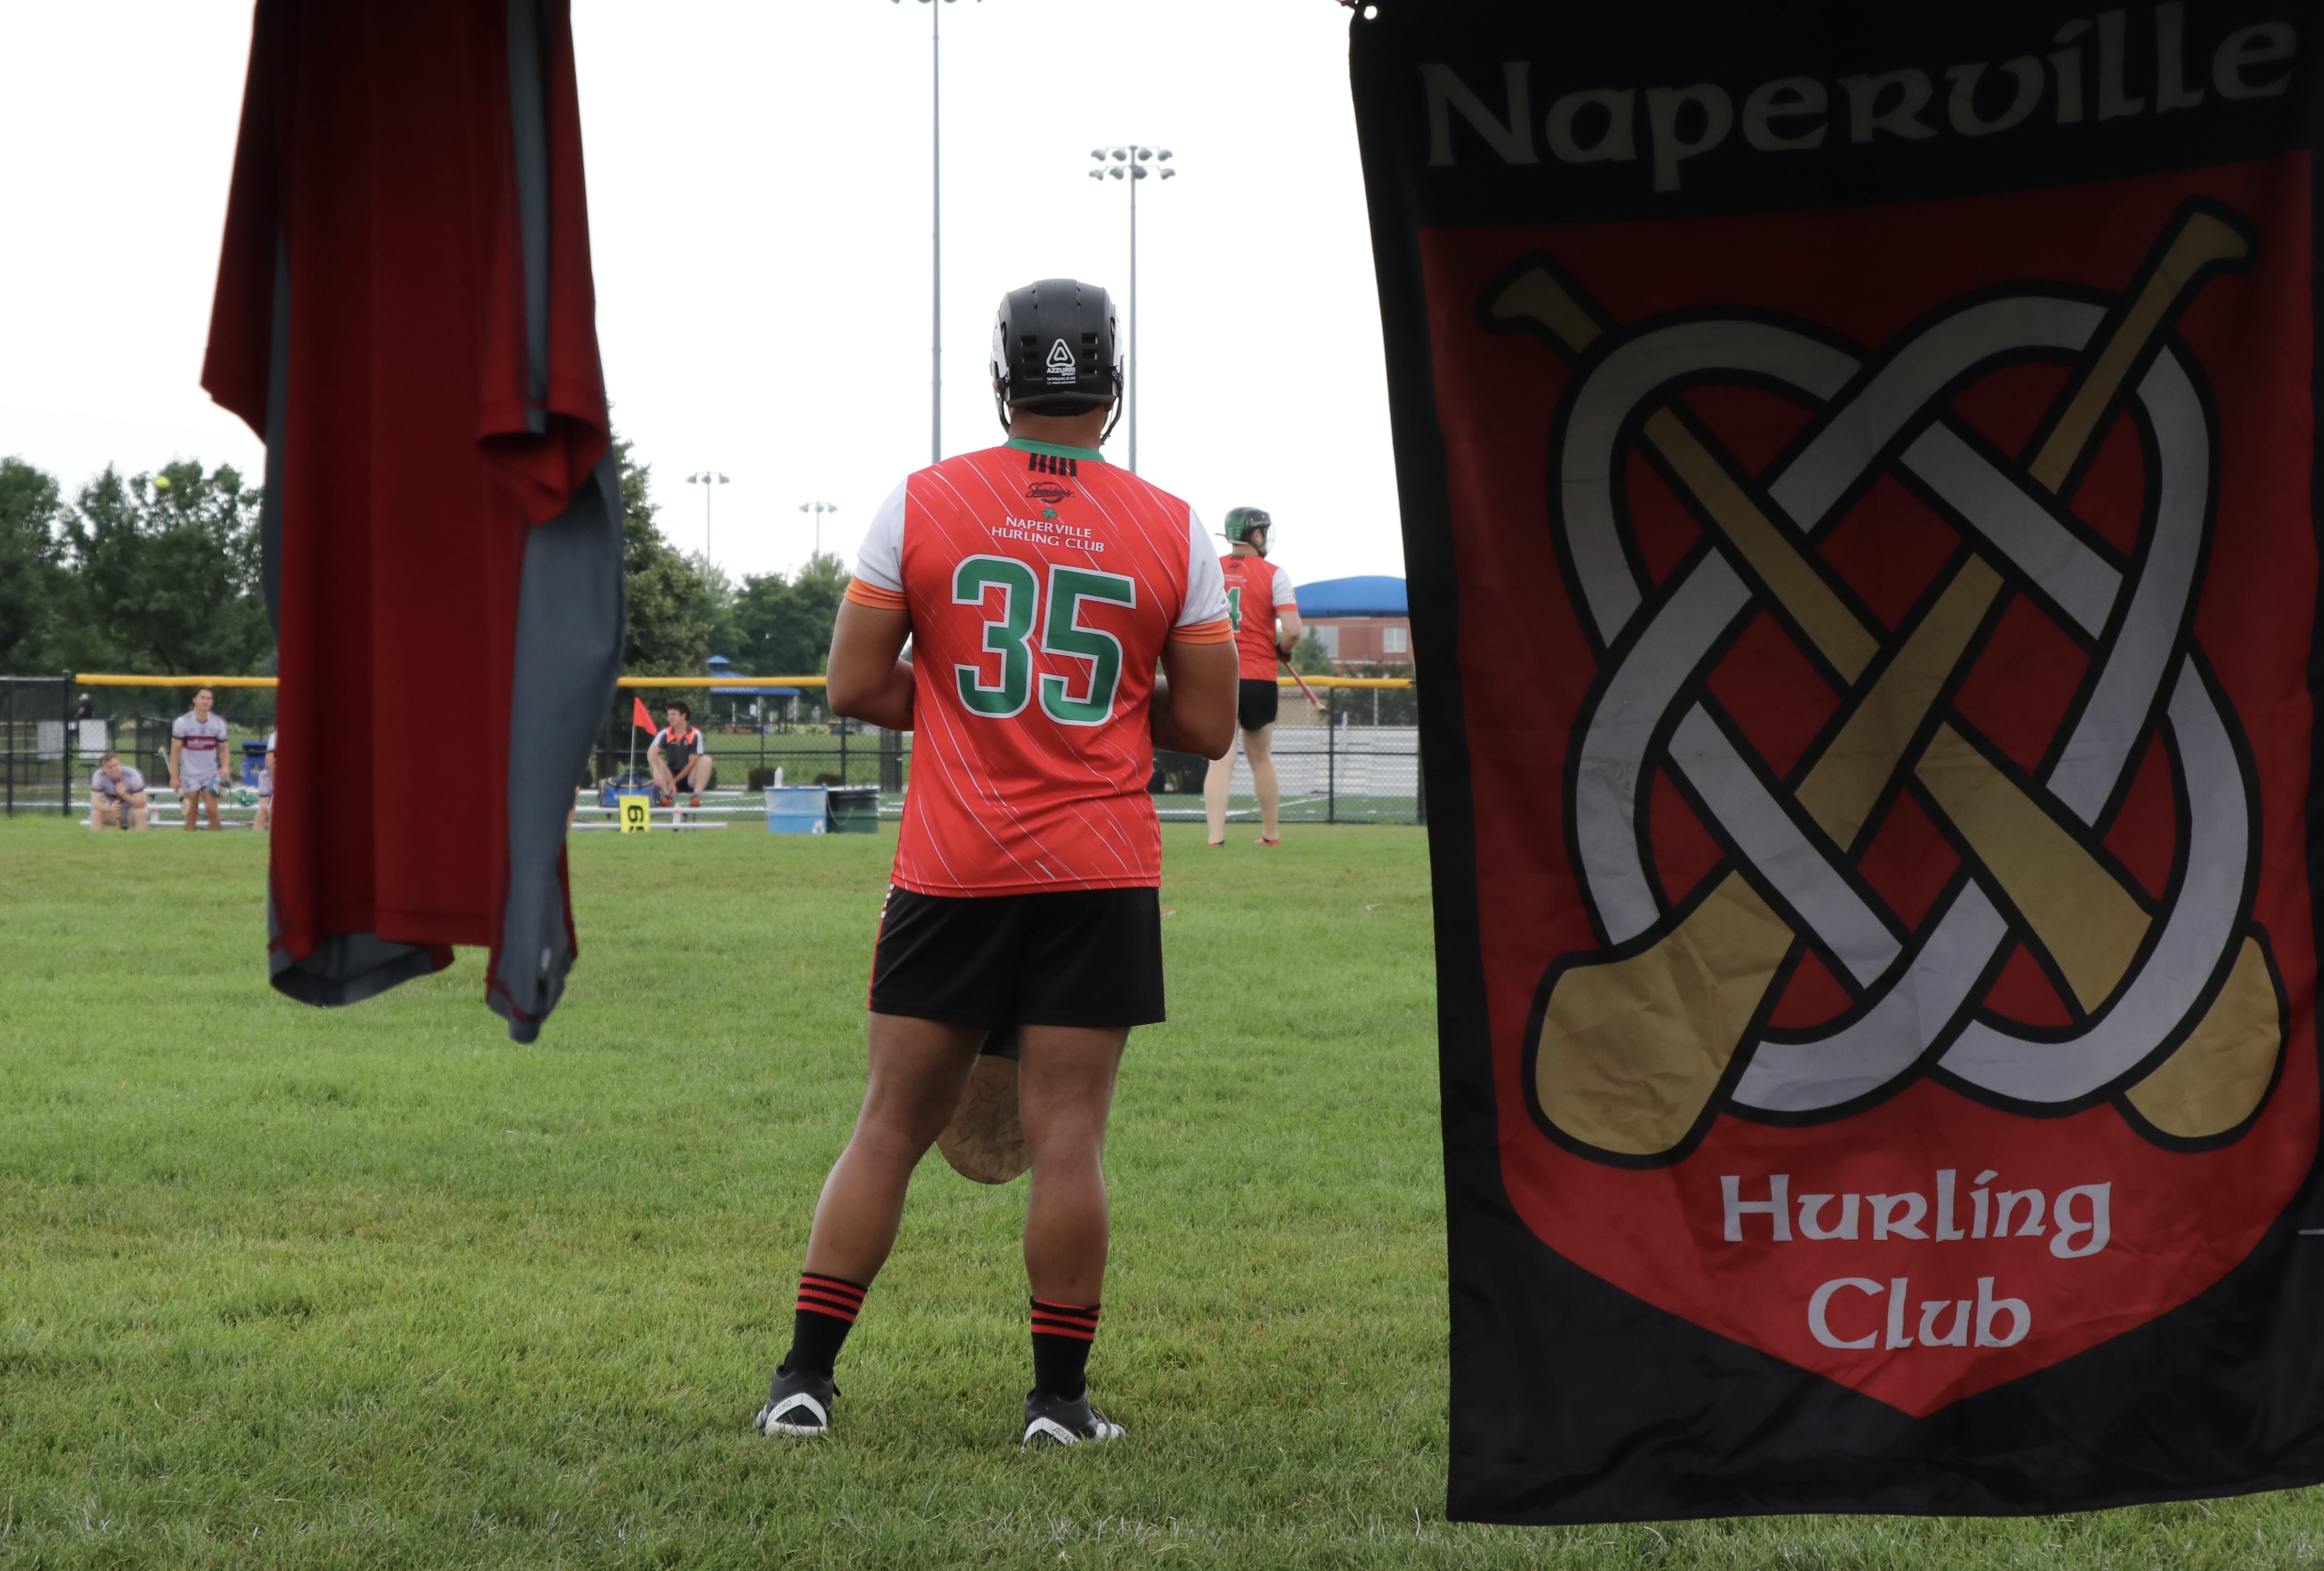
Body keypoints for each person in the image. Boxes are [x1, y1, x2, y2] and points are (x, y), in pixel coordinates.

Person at [752, 278, 1236, 1448]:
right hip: (1098, 867)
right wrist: (1106, 713)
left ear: (998, 380)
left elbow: (855, 685)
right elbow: (1213, 726)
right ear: (1111, 390)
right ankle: (1056, 1404)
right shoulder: (1174, 526)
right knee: (1068, 1137)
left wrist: (974, 708)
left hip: (953, 865)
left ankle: (802, 1382)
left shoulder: (917, 503)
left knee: (886, 1125)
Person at [1202, 507, 1304, 848]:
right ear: (1256, 535)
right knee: (1261, 758)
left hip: (1218, 674)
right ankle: (1270, 834)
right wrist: (1282, 650)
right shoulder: (1274, 574)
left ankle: (1215, 838)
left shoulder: (1210, 568)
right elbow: (1292, 630)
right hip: (1259, 676)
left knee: (1220, 759)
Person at [169, 687, 230, 832]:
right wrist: (174, 777)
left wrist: (225, 768)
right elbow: (175, 751)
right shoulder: (183, 722)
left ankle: (216, 843)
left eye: (209, 698)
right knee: (191, 812)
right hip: (190, 774)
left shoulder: (218, 723)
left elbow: (223, 749)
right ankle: (190, 845)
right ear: (195, 700)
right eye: (202, 698)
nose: (206, 701)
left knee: (212, 810)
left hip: (210, 773)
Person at [647, 701, 713, 807]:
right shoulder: (665, 733)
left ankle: (696, 797)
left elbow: (693, 763)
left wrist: (675, 781)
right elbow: (651, 752)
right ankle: (667, 798)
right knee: (656, 760)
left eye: (674, 715)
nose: (670, 718)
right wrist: (656, 771)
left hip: (690, 778)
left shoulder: (695, 734)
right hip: (670, 778)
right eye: (669, 715)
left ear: (684, 715)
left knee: (706, 760)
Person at [88, 751, 150, 830]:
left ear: (119, 763)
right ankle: (95, 841)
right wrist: (110, 808)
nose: (114, 770)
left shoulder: (133, 775)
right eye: (110, 768)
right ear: (103, 769)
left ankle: (141, 840)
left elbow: (141, 803)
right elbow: (95, 802)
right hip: (114, 813)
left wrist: (124, 795)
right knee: (96, 814)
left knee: (141, 813)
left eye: (116, 765)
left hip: (132, 811)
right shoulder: (99, 776)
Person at [254, 727, 277, 833]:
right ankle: (256, 841)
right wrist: (270, 811)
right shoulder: (265, 776)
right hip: (274, 808)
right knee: (261, 813)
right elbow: (263, 802)